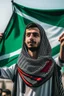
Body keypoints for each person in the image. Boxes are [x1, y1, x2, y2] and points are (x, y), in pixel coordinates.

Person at [0, 22, 64, 96]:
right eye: (28, 35)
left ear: (42, 39)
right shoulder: (16, 69)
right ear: (24, 40)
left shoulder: (51, 66)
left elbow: (61, 60)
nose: (31, 37)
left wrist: (63, 46)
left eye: (35, 35)